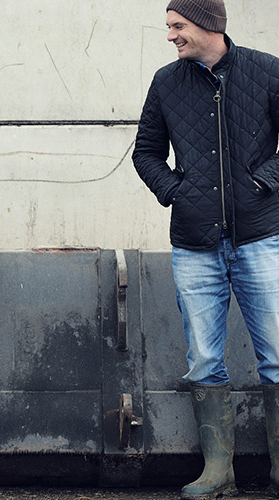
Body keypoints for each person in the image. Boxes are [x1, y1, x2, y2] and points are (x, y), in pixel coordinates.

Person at [132, 0, 279, 498]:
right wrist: (177, 192)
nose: (170, 35)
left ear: (208, 25)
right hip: (195, 244)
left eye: (178, 26)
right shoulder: (166, 82)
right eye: (169, 26)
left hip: (261, 236)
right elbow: (146, 152)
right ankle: (219, 472)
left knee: (277, 355)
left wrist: (262, 182)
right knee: (203, 359)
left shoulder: (266, 70)